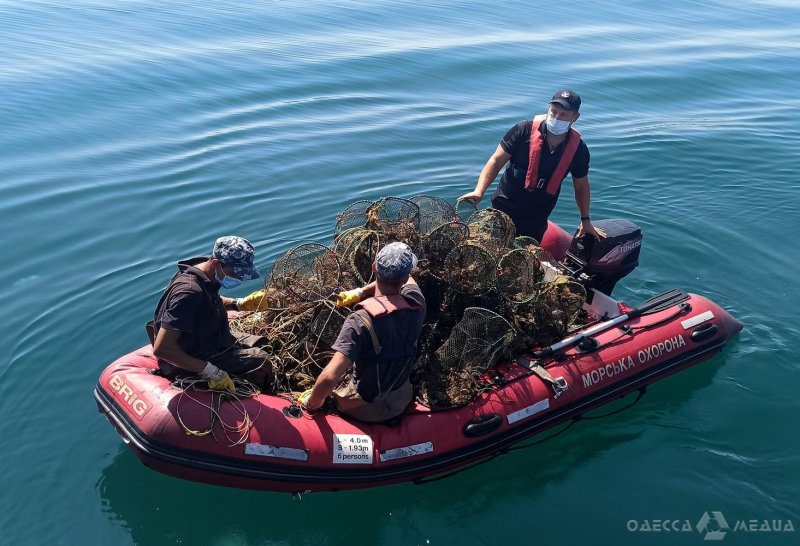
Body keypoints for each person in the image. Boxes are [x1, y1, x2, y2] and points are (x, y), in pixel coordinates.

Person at [298, 242, 427, 422]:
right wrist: (360, 292)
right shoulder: (417, 302)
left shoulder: (359, 321)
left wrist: (312, 404)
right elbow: (410, 280)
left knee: (332, 391)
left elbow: (330, 377)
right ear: (404, 277)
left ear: (374, 267)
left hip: (366, 408)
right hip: (400, 398)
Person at [459, 89, 606, 243]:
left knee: (521, 258)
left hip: (536, 218)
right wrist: (479, 190)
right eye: (554, 111)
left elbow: (581, 185)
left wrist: (585, 220)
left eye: (563, 114)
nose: (556, 117)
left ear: (575, 117)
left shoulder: (578, 150)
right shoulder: (523, 130)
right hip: (503, 209)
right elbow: (496, 161)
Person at [147, 236, 273, 393]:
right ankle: (262, 397)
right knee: (261, 362)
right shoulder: (188, 293)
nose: (239, 277)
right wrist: (209, 370)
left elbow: (208, 299)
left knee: (263, 342)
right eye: (236, 272)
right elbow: (163, 349)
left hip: (206, 339)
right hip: (189, 359)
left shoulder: (203, 274)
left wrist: (238, 304)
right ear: (215, 263)